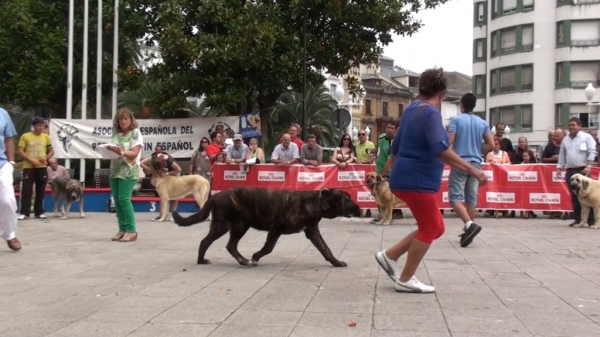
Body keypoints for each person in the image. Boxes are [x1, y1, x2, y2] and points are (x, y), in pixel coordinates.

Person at [375, 67, 488, 293]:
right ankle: (406, 279)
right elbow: (440, 148)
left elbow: (395, 147)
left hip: (405, 176)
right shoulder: (430, 112)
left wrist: (393, 171)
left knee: (436, 227)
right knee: (431, 228)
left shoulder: (410, 110)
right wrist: (473, 170)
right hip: (418, 179)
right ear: (442, 93)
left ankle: (390, 256)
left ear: (420, 88)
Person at [447, 93, 494, 248]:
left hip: (460, 161)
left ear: (461, 104)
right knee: (471, 200)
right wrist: (479, 150)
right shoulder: (482, 122)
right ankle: (469, 230)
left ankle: (469, 226)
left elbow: (450, 141)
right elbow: (491, 145)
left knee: (455, 197)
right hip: (476, 162)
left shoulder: (455, 120)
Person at [107, 108, 143, 242]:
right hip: (115, 170)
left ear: (131, 119)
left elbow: (134, 152)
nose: (123, 121)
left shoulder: (135, 133)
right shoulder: (116, 134)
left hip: (129, 171)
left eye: (126, 118)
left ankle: (131, 230)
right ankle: (122, 229)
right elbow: (112, 149)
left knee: (124, 199)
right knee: (116, 201)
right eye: (121, 119)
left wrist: (121, 153)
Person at [557, 117, 597, 228]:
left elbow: (592, 151)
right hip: (570, 171)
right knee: (574, 196)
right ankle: (578, 219)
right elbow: (562, 154)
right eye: (569, 125)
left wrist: (589, 166)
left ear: (579, 126)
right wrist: (559, 168)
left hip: (583, 170)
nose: (571, 127)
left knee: (589, 196)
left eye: (573, 125)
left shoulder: (586, 137)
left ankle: (591, 221)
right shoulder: (565, 139)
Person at [17, 118, 54, 220]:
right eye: (39, 125)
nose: (41, 128)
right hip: (29, 167)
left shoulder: (46, 137)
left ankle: (39, 212)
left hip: (42, 167)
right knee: (27, 190)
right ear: (34, 126)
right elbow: (20, 151)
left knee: (41, 190)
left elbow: (51, 151)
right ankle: (24, 213)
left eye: (43, 126)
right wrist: (31, 159)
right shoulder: (26, 136)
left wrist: (46, 157)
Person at [140, 145, 182, 221]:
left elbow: (179, 169)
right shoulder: (153, 157)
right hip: (162, 174)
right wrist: (150, 170)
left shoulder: (168, 159)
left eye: (160, 149)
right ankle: (162, 215)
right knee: (163, 194)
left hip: (174, 172)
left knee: (175, 195)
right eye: (157, 149)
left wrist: (168, 173)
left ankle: (174, 214)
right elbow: (141, 163)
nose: (158, 151)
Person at [0, 107, 20, 251]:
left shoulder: (2, 113)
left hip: (2, 164)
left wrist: (11, 161)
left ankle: (9, 234)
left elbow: (8, 138)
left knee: (8, 200)